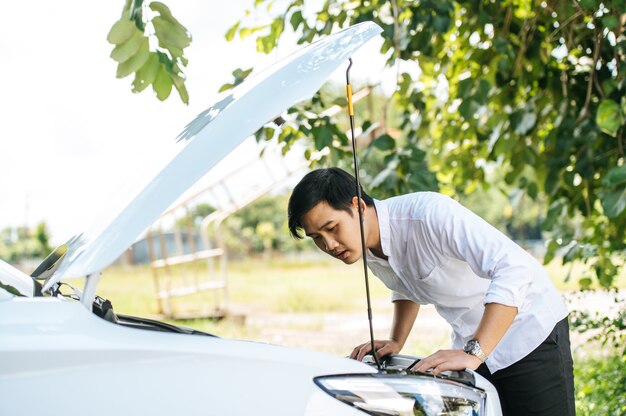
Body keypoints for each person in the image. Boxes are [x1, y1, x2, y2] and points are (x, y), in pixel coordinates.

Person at [287, 167, 575, 416]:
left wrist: (475, 352)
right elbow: (406, 285)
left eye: (332, 228)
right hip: (472, 344)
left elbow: (515, 267)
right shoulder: (369, 247)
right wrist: (396, 341)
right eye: (317, 238)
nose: (330, 245)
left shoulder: (428, 215)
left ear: (358, 206)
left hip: (528, 334)